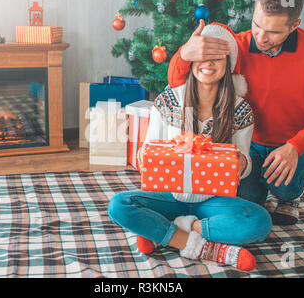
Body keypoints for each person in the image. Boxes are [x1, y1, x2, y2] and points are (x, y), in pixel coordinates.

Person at [167, 0, 304, 225]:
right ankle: (262, 187)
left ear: (294, 25)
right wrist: (185, 53)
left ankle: (290, 197)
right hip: (247, 143)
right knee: (245, 201)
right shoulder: (237, 45)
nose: (261, 37)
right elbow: (177, 82)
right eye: (257, 25)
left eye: (273, 32)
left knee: (282, 186)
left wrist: (295, 146)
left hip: (294, 143)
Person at [108, 23, 272, 272]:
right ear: (192, 59)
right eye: (202, 56)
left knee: (259, 221)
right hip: (169, 195)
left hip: (213, 200)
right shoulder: (167, 100)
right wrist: (148, 158)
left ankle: (170, 230)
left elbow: (246, 164)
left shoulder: (241, 110)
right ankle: (207, 247)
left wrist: (239, 163)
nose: (208, 63)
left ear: (228, 66)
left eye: (217, 58)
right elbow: (147, 154)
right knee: (119, 205)